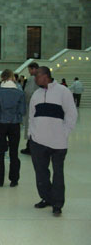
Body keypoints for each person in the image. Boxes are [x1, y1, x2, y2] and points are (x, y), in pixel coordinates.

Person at [29, 67, 77, 216]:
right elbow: (31, 116)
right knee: (41, 173)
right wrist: (31, 135)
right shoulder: (36, 94)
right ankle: (46, 198)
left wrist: (65, 133)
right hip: (38, 141)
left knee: (58, 174)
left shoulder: (63, 92)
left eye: (37, 76)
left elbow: (71, 114)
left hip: (58, 142)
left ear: (45, 76)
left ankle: (57, 204)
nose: (35, 78)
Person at [0, 69, 26, 187]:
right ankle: (14, 179)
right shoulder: (20, 93)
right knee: (14, 152)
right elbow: (22, 111)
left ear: (2, 78)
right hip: (14, 124)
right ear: (12, 78)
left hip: (1, 123)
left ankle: (0, 180)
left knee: (0, 153)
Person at [21, 62, 39, 154]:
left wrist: (25, 101)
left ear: (34, 69)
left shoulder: (32, 78)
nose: (29, 72)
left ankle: (30, 148)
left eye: (30, 70)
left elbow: (28, 92)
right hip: (39, 107)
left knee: (30, 127)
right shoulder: (42, 77)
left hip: (32, 107)